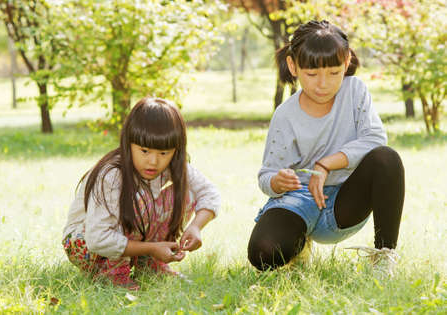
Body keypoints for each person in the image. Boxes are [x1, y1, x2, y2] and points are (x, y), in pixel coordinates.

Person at [247, 20, 405, 276]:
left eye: (334, 73)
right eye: (312, 74)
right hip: (298, 199)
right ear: (293, 66)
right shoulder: (285, 115)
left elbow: (375, 138)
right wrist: (277, 181)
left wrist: (326, 164)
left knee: (386, 158)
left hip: (346, 200)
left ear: (346, 63)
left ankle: (384, 256)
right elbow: (266, 176)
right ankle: (298, 244)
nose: (323, 84)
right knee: (264, 253)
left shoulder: (355, 91)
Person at [62, 98, 220, 290]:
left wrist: (196, 226)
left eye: (163, 153)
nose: (153, 161)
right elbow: (97, 239)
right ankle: (112, 272)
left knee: (185, 192)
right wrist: (153, 248)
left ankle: (150, 265)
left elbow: (209, 192)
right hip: (87, 245)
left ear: (175, 151)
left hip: (129, 240)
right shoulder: (112, 175)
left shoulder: (173, 167)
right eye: (144, 151)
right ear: (129, 144)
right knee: (139, 201)